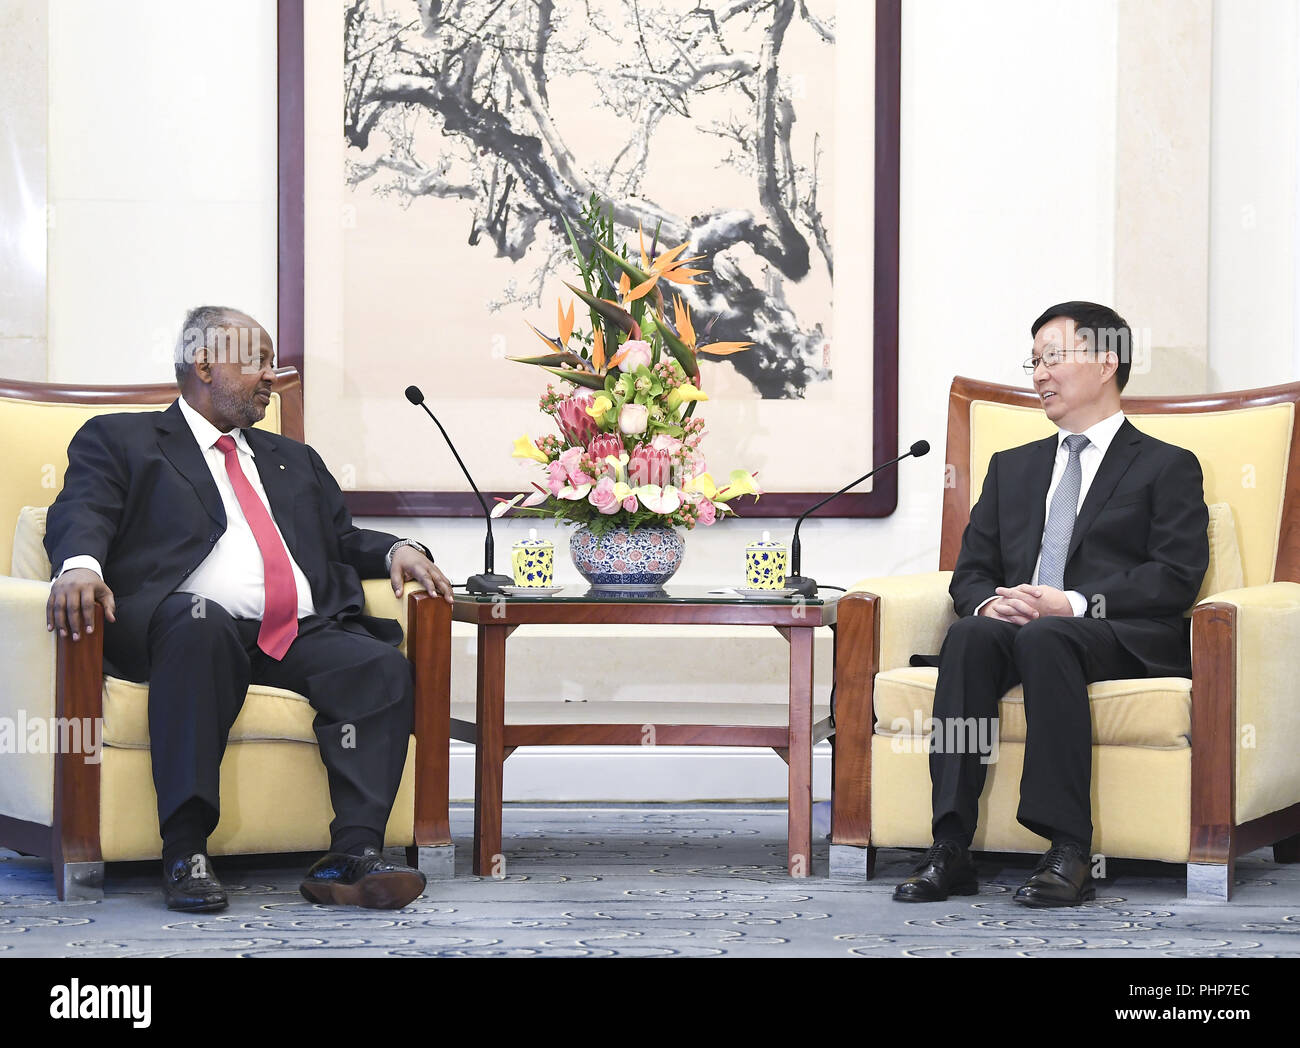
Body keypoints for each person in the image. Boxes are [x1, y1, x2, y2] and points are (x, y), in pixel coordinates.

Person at [43, 305, 455, 913]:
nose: (272, 375)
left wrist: (398, 547)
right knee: (199, 622)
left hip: (291, 634)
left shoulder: (292, 459)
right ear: (205, 364)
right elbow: (83, 510)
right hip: (185, 631)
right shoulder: (123, 439)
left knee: (378, 667)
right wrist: (80, 565)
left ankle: (352, 855)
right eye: (258, 361)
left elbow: (339, 539)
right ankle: (185, 850)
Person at [893, 301, 1208, 907]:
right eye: (1034, 361)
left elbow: (1175, 577)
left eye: (1053, 358)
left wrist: (1071, 603)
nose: (1039, 375)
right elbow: (971, 572)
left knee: (1047, 635)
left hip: (1117, 633)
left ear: (1106, 361)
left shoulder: (1166, 465)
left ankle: (1068, 847)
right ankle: (949, 844)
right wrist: (989, 605)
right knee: (969, 636)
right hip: (1024, 629)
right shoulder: (1012, 468)